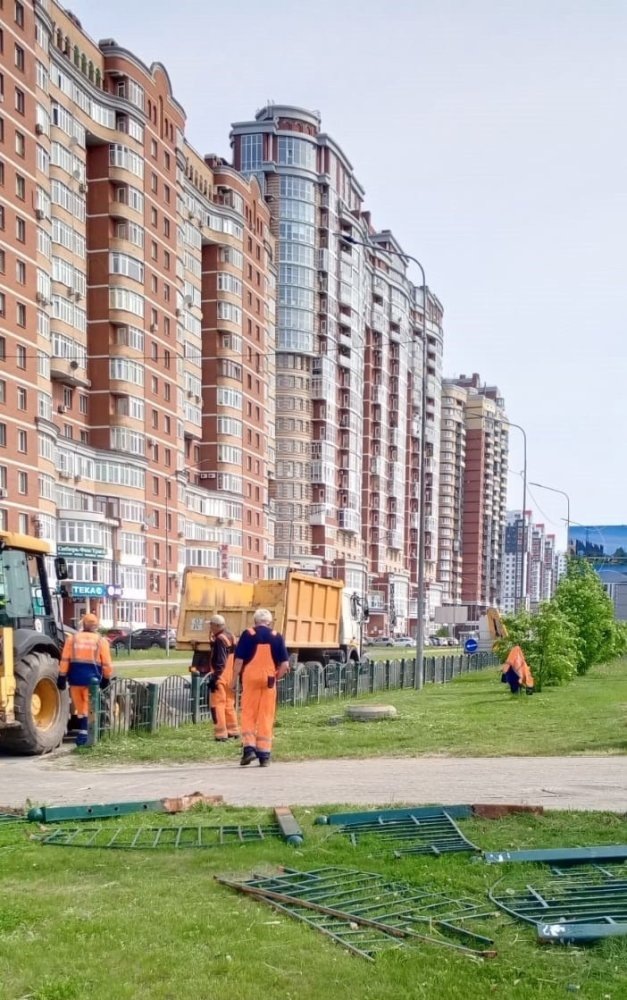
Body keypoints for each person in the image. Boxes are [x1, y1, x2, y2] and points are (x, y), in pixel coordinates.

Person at [231, 608, 290, 767]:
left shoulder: (248, 634)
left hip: (250, 678)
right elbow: (285, 665)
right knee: (266, 715)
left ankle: (249, 749)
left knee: (249, 712)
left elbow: (238, 662)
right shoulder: (276, 637)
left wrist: (234, 680)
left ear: (255, 621)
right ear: (269, 622)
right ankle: (264, 755)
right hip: (269, 679)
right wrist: (275, 678)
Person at [57, 613, 113, 746]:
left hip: (75, 679)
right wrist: (106, 677)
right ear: (96, 626)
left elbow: (65, 659)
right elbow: (106, 663)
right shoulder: (101, 641)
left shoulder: (72, 639)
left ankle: (83, 735)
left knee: (80, 709)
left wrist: (61, 676)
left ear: (83, 624)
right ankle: (86, 734)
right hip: (92, 680)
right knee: (89, 707)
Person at [190, 615, 239, 742]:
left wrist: (215, 678)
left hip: (220, 676)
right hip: (230, 675)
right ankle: (233, 730)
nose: (210, 627)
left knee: (217, 705)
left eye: (211, 625)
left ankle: (221, 733)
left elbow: (221, 660)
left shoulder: (220, 640)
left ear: (217, 626)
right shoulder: (230, 636)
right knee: (229, 704)